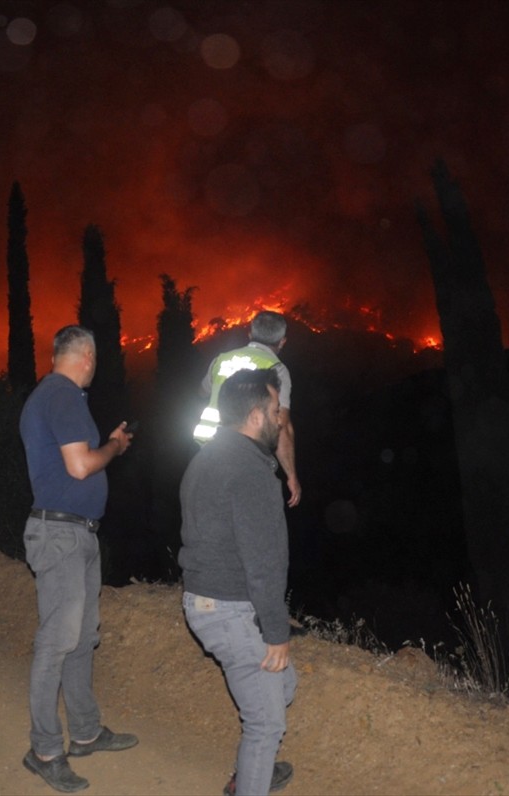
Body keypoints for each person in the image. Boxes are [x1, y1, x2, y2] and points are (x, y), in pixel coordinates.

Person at [17, 325, 138, 793]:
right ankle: (44, 748)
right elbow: (80, 465)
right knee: (57, 641)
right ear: (86, 355)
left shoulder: (55, 397)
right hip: (61, 533)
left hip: (77, 533)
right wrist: (115, 447)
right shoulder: (63, 395)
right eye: (96, 359)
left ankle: (85, 731)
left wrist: (103, 442)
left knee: (82, 638)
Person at [179, 368, 298, 796]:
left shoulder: (207, 457)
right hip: (230, 608)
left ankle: (248, 772)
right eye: (275, 411)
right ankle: (250, 777)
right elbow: (264, 561)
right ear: (254, 416)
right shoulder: (250, 471)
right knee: (266, 724)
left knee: (284, 685)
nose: (280, 419)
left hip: (203, 599)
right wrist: (276, 630)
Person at [193, 310, 301, 507]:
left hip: (204, 452)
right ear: (282, 341)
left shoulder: (221, 360)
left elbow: (202, 392)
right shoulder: (276, 369)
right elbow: (281, 425)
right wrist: (291, 475)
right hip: (243, 457)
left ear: (250, 335)